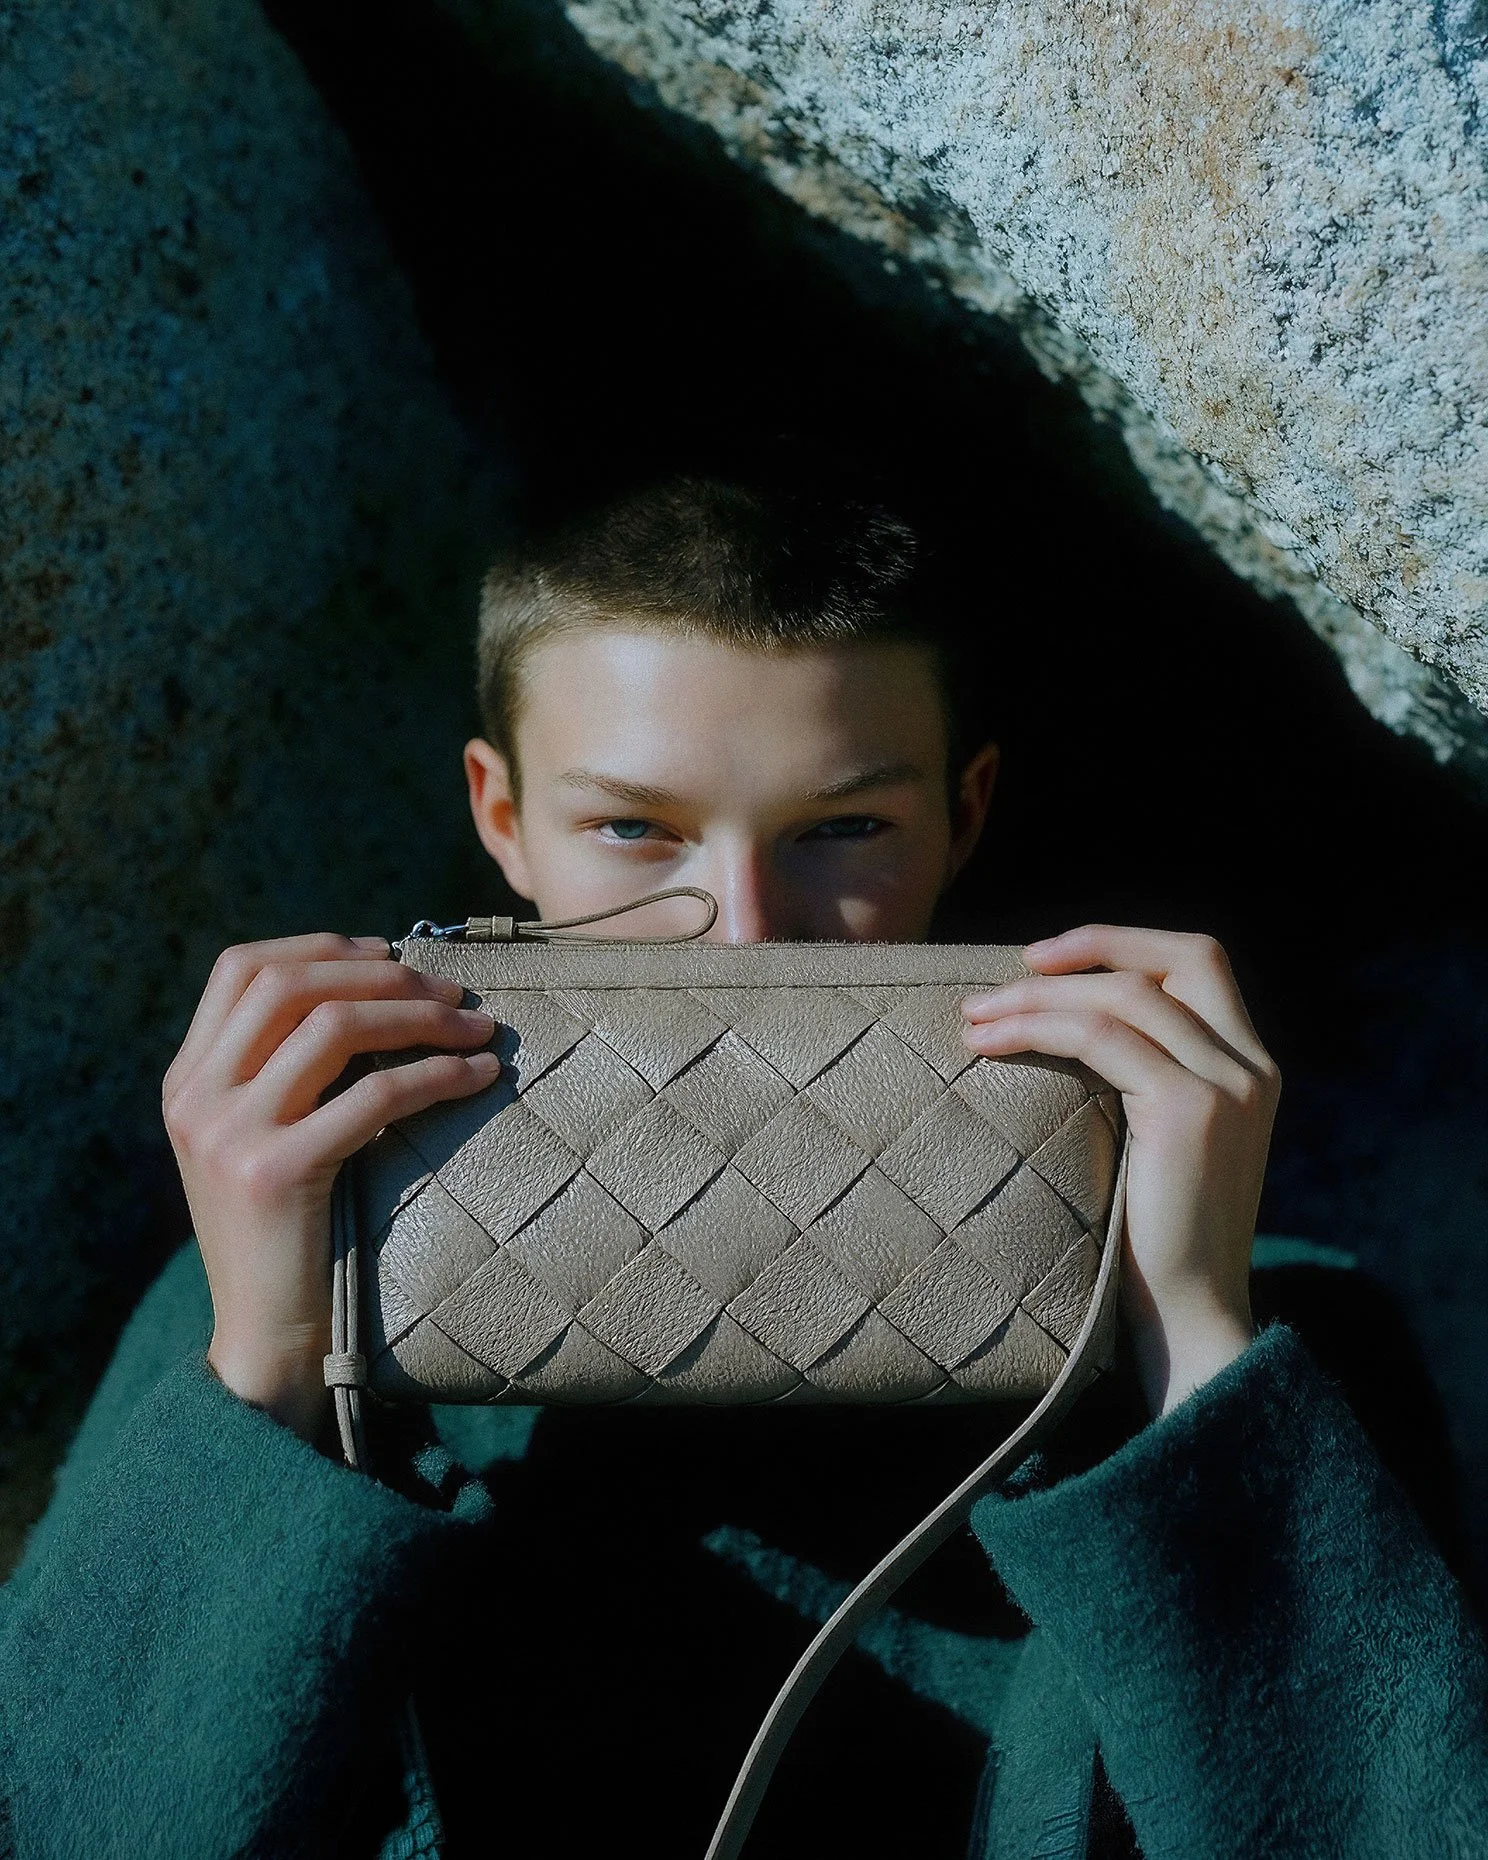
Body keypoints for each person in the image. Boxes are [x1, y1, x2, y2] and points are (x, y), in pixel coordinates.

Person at [1, 477, 1484, 1858]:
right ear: (503, 818)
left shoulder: (1279, 1334)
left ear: (962, 814)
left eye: (845, 827)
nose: (746, 928)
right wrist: (271, 1371)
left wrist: (1189, 1348)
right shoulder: (284, 1288)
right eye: (632, 828)